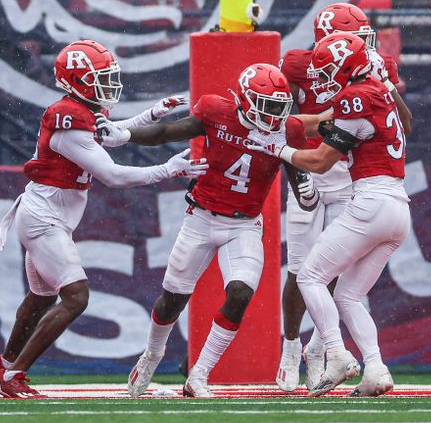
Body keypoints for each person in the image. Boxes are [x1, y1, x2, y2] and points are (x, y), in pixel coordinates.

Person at [0, 39, 207, 398]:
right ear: (76, 80)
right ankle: (13, 377)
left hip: (46, 214)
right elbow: (113, 175)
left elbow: (110, 136)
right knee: (76, 297)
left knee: (41, 298)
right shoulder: (68, 122)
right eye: (99, 77)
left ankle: (5, 364)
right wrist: (169, 170)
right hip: (44, 218)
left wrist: (152, 114)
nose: (108, 83)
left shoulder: (80, 111)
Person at [96, 63, 319, 398]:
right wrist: (127, 134)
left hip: (244, 224)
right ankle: (152, 354)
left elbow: (300, 183)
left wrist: (306, 189)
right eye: (267, 107)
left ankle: (198, 375)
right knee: (172, 301)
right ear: (244, 101)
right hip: (200, 218)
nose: (273, 116)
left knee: (241, 294)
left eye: (279, 108)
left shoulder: (286, 131)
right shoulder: (217, 111)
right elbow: (167, 132)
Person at [249, 32, 411, 397]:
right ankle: (376, 368)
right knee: (349, 296)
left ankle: (336, 355)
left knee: (309, 277)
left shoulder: (356, 97)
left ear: (347, 67)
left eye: (328, 71)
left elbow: (319, 162)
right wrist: (275, 127)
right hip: (398, 208)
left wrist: (278, 149)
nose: (321, 79)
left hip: (371, 201)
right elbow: (322, 120)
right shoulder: (375, 90)